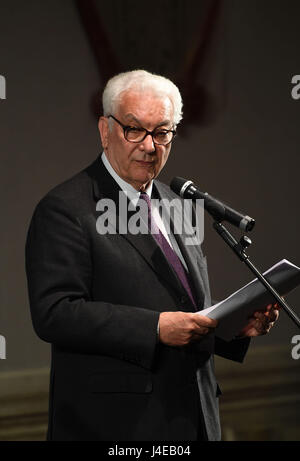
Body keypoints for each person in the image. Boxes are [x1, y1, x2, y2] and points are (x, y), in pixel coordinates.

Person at [25, 70, 279, 441]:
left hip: (195, 416)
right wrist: (156, 329)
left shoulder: (177, 205)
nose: (149, 146)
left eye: (161, 132)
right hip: (117, 425)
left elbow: (186, 308)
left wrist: (233, 329)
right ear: (104, 129)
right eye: (134, 129)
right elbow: (55, 313)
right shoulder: (66, 209)